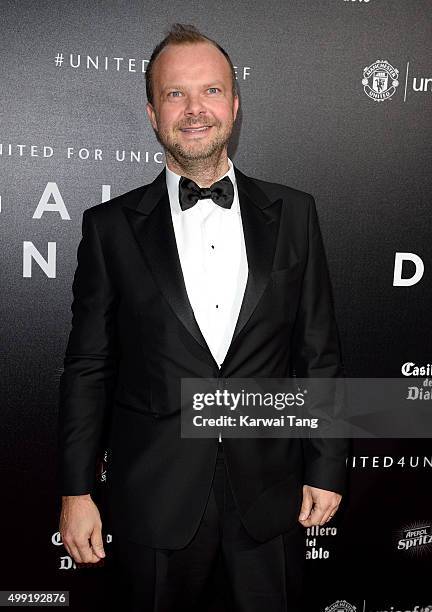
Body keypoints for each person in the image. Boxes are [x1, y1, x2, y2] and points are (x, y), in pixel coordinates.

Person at [58, 23, 349, 612]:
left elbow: (317, 352)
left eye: (211, 92)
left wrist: (328, 466)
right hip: (155, 495)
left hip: (270, 493)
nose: (195, 110)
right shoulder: (109, 228)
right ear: (151, 113)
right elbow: (89, 367)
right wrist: (76, 490)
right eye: (175, 94)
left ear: (235, 105)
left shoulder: (295, 213)